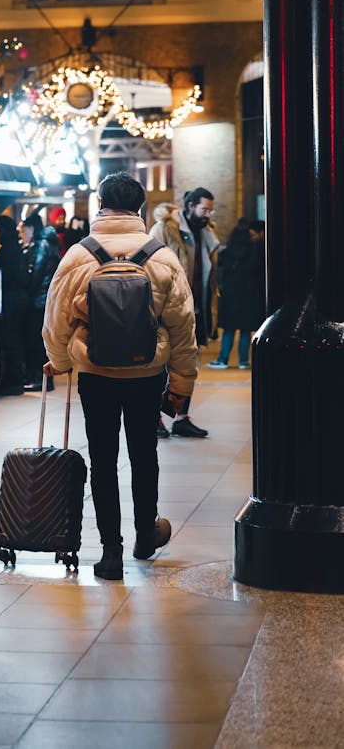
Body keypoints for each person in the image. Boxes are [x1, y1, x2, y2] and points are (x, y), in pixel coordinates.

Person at [42, 172, 198, 580]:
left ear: (100, 204)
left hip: (96, 373)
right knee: (144, 454)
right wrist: (182, 381)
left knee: (103, 459)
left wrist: (59, 361)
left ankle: (111, 551)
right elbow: (183, 325)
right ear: (141, 208)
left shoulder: (79, 255)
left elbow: (55, 318)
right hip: (147, 372)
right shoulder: (161, 256)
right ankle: (146, 534)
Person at [149, 187, 218, 438]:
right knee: (161, 364)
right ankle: (154, 417)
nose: (208, 214)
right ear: (189, 206)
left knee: (187, 365)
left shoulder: (206, 232)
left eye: (210, 209)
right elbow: (151, 268)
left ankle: (180, 417)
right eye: (204, 209)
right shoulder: (164, 229)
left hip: (196, 308)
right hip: (168, 308)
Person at [208, 220, 264, 369]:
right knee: (245, 330)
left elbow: (220, 272)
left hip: (231, 295)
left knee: (229, 330)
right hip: (249, 295)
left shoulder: (228, 252)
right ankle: (243, 361)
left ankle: (223, 359)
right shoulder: (255, 251)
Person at [0, 214, 29, 395]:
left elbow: (4, 276)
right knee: (16, 339)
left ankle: (12, 381)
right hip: (19, 298)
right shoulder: (16, 247)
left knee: (10, 339)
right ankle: (15, 378)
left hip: (10, 299)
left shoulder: (7, 250)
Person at [21, 212, 61, 391]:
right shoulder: (50, 242)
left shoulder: (41, 244)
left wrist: (28, 290)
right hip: (47, 299)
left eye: (23, 230)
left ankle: (38, 378)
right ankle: (45, 378)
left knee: (35, 341)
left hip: (38, 300)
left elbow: (37, 271)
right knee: (42, 340)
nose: (22, 234)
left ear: (31, 228)